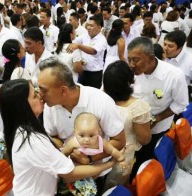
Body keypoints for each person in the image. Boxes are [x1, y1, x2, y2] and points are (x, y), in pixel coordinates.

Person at [0, 78, 116, 195]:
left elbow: (50, 156)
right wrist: (110, 163)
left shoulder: (23, 130)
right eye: (34, 95)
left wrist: (68, 149)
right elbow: (70, 174)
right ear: (23, 106)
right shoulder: (32, 140)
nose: (40, 96)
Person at [38, 57, 125, 194]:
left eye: (43, 90)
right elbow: (54, 136)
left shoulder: (101, 101)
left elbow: (119, 140)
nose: (40, 96)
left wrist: (90, 158)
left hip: (98, 172)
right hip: (68, 171)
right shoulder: (50, 106)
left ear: (63, 91)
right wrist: (64, 151)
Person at [127, 37, 188, 181]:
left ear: (150, 58)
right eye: (129, 59)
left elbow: (181, 104)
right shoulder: (131, 72)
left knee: (144, 162)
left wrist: (156, 119)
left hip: (156, 129)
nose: (131, 64)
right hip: (132, 127)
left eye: (136, 60)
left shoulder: (173, 75)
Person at [103, 60, 151, 188]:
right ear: (128, 82)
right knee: (115, 187)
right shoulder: (137, 107)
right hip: (123, 156)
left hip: (100, 152)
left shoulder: (101, 99)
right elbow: (144, 139)